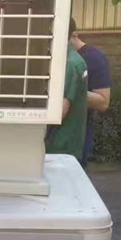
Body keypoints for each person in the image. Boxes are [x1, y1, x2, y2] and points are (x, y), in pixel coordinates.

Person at [69, 19, 113, 166]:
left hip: (78, 134)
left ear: (74, 35)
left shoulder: (95, 57)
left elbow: (103, 102)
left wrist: (69, 91)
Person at [45, 18, 88, 162]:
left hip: (59, 148)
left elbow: (59, 112)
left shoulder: (69, 64)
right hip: (69, 144)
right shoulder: (75, 60)